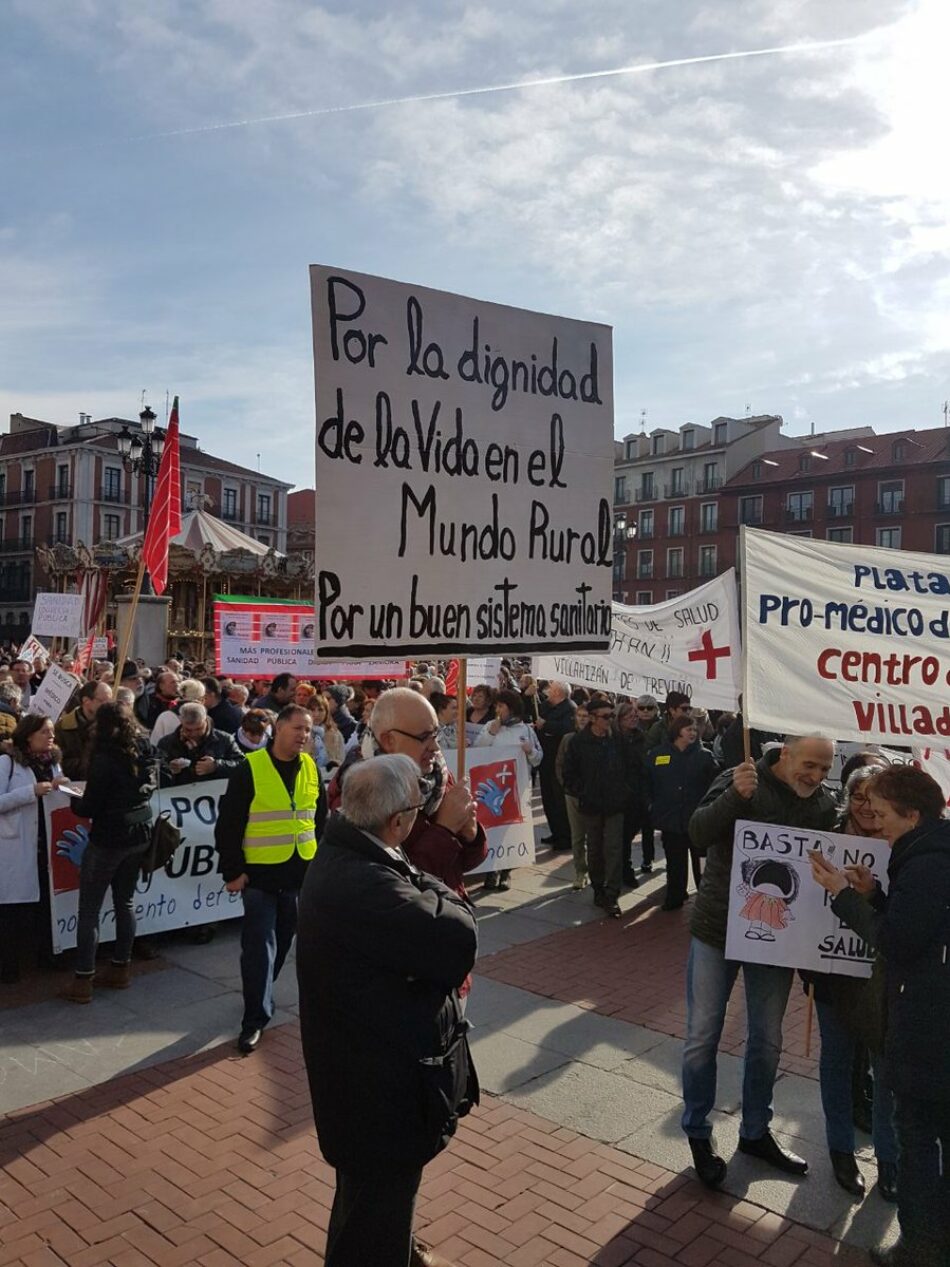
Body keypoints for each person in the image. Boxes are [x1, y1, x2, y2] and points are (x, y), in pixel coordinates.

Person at [297, 754, 478, 1267]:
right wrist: (435, 881)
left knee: (371, 1210)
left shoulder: (351, 854)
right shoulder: (364, 880)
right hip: (377, 1093)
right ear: (397, 822)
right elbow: (457, 937)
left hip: (369, 1083)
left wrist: (421, 879)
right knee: (373, 1218)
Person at [810, 765, 950, 1267]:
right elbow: (915, 922)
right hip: (933, 1014)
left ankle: (922, 1246)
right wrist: (875, 895)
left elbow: (897, 942)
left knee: (918, 1136)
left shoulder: (928, 862)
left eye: (887, 813)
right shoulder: (930, 851)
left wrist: (845, 896)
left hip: (927, 1023)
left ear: (912, 815)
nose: (878, 822)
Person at [683, 733, 837, 1187]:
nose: (817, 776)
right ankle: (697, 1130)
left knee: (767, 1040)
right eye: (810, 764)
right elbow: (696, 833)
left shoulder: (823, 806)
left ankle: (755, 1131)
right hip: (716, 931)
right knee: (701, 1036)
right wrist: (734, 797)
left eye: (825, 769)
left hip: (775, 940)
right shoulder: (739, 777)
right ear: (785, 755)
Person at [800, 766, 897, 1202]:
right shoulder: (824, 837)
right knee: (837, 1062)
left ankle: (890, 1162)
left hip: (883, 980)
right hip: (833, 972)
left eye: (875, 797)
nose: (867, 806)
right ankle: (841, 1151)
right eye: (859, 795)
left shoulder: (902, 844)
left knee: (885, 1070)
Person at [215, 704, 326, 1053]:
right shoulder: (250, 768)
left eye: (308, 731)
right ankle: (255, 1019)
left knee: (282, 941)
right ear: (277, 728)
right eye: (297, 729)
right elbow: (229, 823)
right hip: (259, 876)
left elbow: (319, 818)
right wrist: (232, 871)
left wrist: (322, 862)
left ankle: (259, 991)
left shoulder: (310, 767)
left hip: (298, 874)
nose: (303, 736)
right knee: (259, 948)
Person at [61, 703, 157, 1002]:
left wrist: (72, 795)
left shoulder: (104, 757)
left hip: (109, 839)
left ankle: (83, 980)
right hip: (139, 832)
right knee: (125, 901)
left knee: (89, 910)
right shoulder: (144, 748)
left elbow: (88, 806)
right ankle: (120, 968)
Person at [365, 689, 487, 903]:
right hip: (412, 923)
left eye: (436, 734)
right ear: (389, 740)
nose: (436, 746)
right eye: (424, 737)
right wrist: (445, 830)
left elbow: (462, 864)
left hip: (448, 911)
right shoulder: (363, 792)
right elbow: (394, 887)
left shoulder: (437, 775)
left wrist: (472, 836)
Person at [0, 715, 68, 983]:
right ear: (28, 735)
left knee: (44, 905)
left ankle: (47, 956)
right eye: (44, 732)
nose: (51, 736)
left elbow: (56, 792)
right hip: (16, 844)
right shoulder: (6, 763)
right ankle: (8, 965)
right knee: (11, 909)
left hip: (45, 842)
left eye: (52, 732)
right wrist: (31, 792)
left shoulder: (53, 763)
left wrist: (64, 787)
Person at [562, 699, 637, 918]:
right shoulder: (579, 742)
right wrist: (583, 792)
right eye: (605, 716)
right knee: (594, 849)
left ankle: (612, 894)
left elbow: (632, 767)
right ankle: (598, 888)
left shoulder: (618, 741)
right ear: (593, 718)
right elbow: (568, 773)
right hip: (591, 806)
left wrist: (625, 791)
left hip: (615, 805)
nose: (610, 720)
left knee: (614, 847)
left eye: (611, 716)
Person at [647, 715, 719, 911]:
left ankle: (705, 899)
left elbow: (714, 786)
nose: (693, 733)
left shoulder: (705, 756)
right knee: (674, 861)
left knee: (702, 863)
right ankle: (675, 895)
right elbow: (649, 783)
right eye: (689, 729)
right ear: (677, 731)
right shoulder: (657, 754)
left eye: (695, 730)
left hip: (697, 820)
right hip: (671, 820)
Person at [481, 690, 543, 891]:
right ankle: (492, 870)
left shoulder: (525, 730)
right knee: (493, 828)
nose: (497, 710)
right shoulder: (491, 727)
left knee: (510, 829)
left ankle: (506, 872)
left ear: (512, 708)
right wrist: (491, 733)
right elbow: (476, 748)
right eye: (496, 706)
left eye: (501, 706)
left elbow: (538, 758)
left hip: (515, 787)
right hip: (494, 787)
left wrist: (529, 751)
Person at [156, 702, 244, 786]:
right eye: (188, 730)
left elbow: (241, 764)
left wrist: (216, 766)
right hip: (179, 795)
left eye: (199, 729)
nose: (194, 734)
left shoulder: (225, 739)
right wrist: (168, 769)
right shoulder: (167, 742)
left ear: (205, 720)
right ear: (181, 722)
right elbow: (154, 771)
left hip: (215, 794)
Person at [535, 681, 576, 851]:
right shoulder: (546, 706)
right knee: (548, 799)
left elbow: (567, 729)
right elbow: (536, 711)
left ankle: (565, 836)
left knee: (559, 800)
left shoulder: (570, 708)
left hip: (559, 760)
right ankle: (555, 832)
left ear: (558, 692)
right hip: (545, 759)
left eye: (551, 690)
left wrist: (546, 725)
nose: (548, 693)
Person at [556, 703, 590, 889]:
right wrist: (566, 786)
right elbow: (559, 764)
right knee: (577, 836)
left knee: (594, 835)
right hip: (573, 794)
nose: (583, 719)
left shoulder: (599, 738)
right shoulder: (568, 739)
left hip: (593, 795)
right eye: (580, 715)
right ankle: (580, 872)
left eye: (586, 715)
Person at [55, 680, 112, 779]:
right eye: (103, 701)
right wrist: (88, 765)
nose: (108, 706)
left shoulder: (112, 727)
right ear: (86, 701)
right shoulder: (62, 727)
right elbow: (58, 763)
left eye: (110, 701)